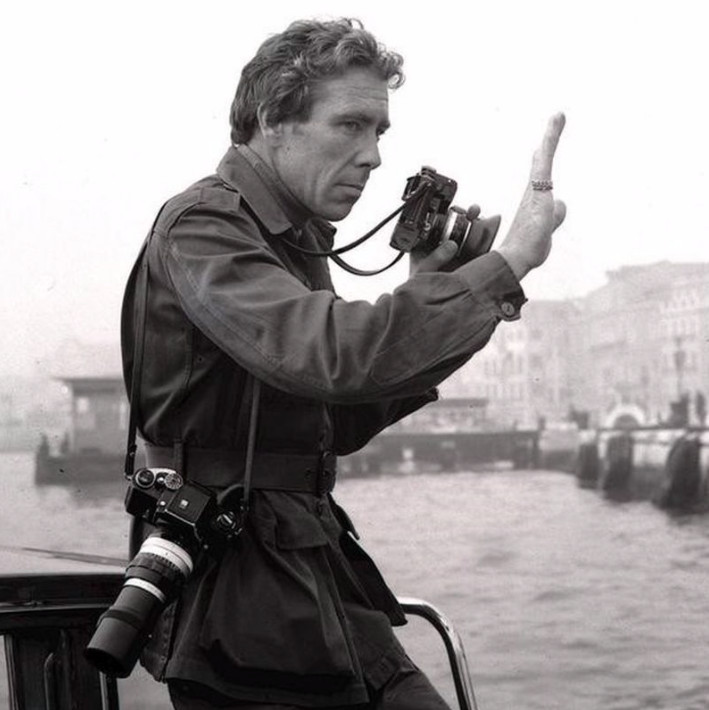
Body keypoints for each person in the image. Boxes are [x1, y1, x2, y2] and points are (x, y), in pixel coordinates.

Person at [120, 17, 566, 710]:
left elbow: (335, 421)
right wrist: (506, 266)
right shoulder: (204, 225)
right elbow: (333, 358)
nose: (374, 156)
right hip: (238, 602)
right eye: (350, 126)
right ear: (273, 120)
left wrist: (436, 290)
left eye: (379, 131)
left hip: (308, 576)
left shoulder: (292, 239)